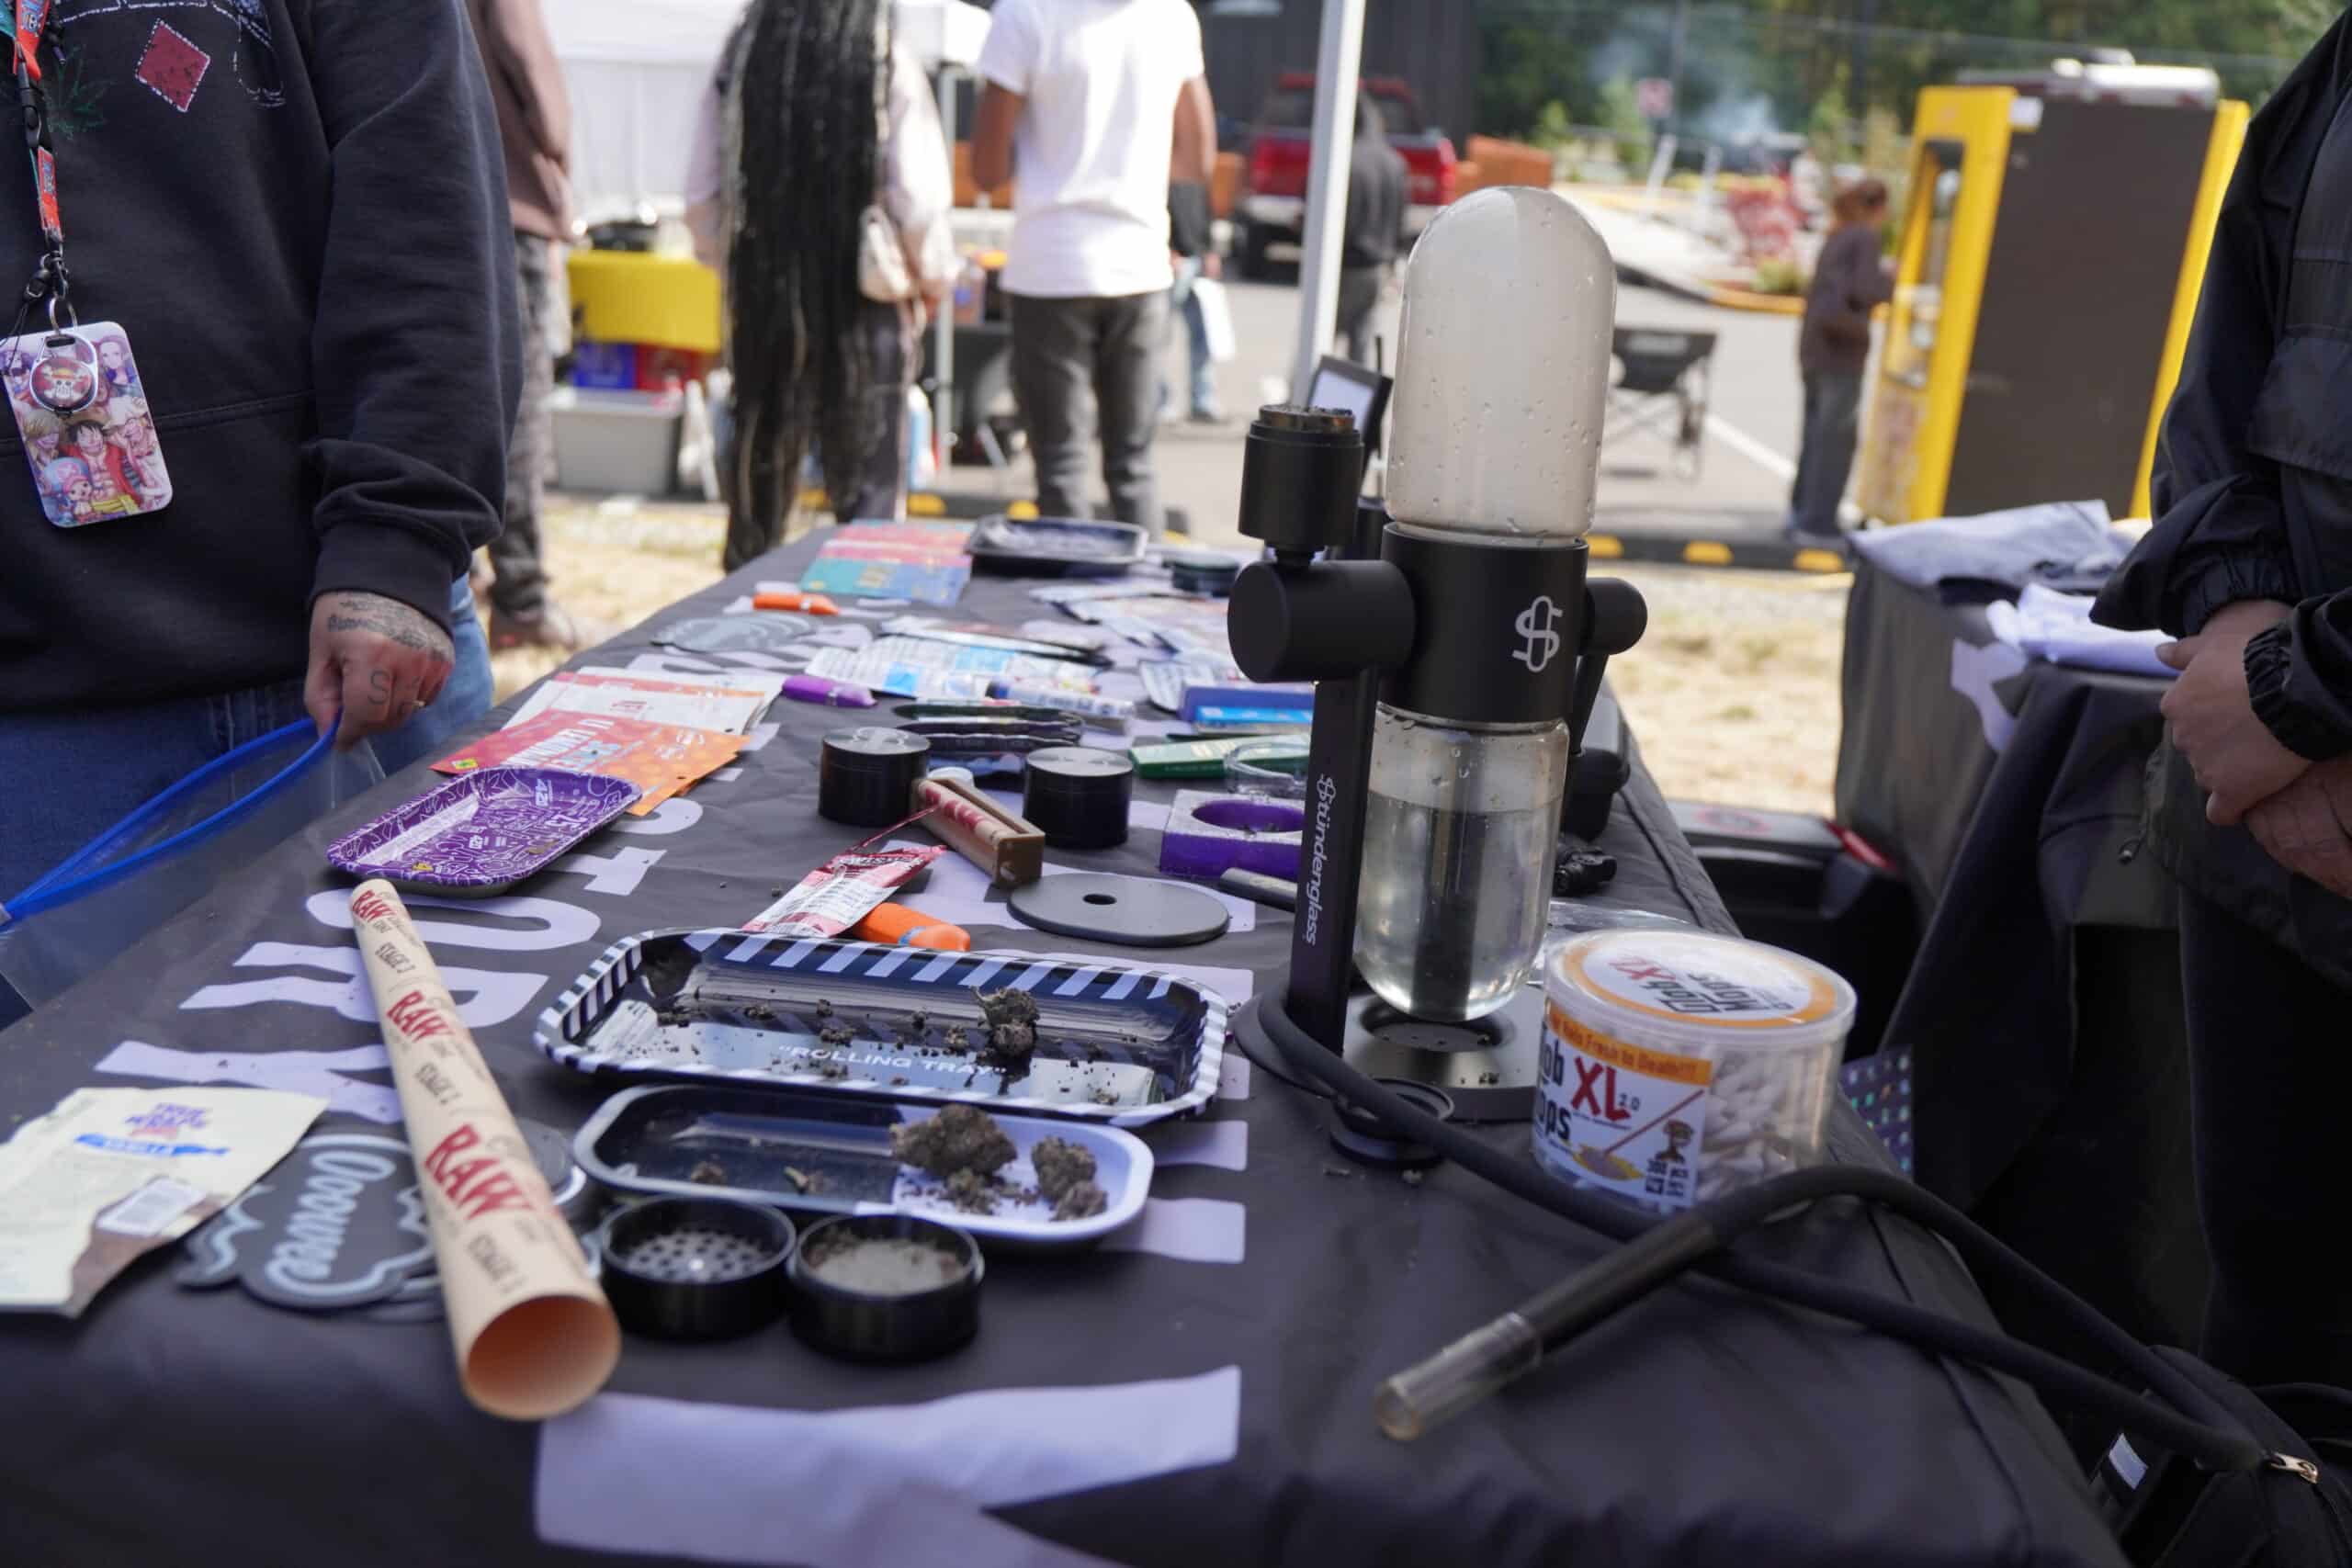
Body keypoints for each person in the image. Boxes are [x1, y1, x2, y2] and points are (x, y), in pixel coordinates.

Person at [0, 4, 516, 913]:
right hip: (44, 717)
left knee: (435, 996)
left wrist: (398, 540)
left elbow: (422, 196)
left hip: (350, 654)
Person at [2094, 12, 2352, 1389]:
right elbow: (2223, 392)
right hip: (2269, 866)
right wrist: (2249, 630)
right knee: (2272, 1364)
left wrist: (2301, 696)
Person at [684, 0, 957, 570]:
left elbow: (703, 189)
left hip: (766, 290)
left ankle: (745, 595)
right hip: (864, 301)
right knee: (868, 494)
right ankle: (863, 599)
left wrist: (728, 265)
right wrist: (932, 276)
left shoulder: (747, 47)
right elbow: (916, 196)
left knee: (759, 478)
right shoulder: (881, 51)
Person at [972, 0, 1216, 536]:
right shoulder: (1171, 15)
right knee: (1133, 464)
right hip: (1140, 263)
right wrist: (1131, 169)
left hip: (1052, 262)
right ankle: (1145, 582)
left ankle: (1068, 588)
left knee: (1061, 464)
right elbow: (1197, 159)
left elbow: (986, 170)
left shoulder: (1025, 14)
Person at [468, 0, 595, 653]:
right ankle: (520, 596)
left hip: (429, 203)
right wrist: (557, 156)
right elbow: (541, 95)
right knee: (517, 411)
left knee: (450, 401)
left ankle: (466, 577)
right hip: (504, 203)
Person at [1788, 178, 1892, 543]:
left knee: (1814, 436)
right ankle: (1820, 523)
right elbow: (1865, 289)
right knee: (1836, 440)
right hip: (1841, 354)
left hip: (1814, 349)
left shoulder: (1836, 235)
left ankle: (1800, 513)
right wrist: (1892, 280)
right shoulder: (1864, 237)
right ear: (1879, 207)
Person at [1336, 94, 1408, 368]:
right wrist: (1395, 260)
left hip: (1346, 265)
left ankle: (1303, 391)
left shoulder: (1346, 159)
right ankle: (1358, 396)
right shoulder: (1395, 162)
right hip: (1377, 268)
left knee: (1320, 336)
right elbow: (1401, 218)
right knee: (1361, 344)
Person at [1162, 179, 1224, 423]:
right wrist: (1167, 248)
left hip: (1197, 260)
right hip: (1173, 262)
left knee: (1204, 336)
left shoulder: (1196, 173)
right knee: (1160, 337)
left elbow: (1205, 210)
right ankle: (1160, 402)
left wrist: (1209, 250)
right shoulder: (1164, 169)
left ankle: (1203, 400)